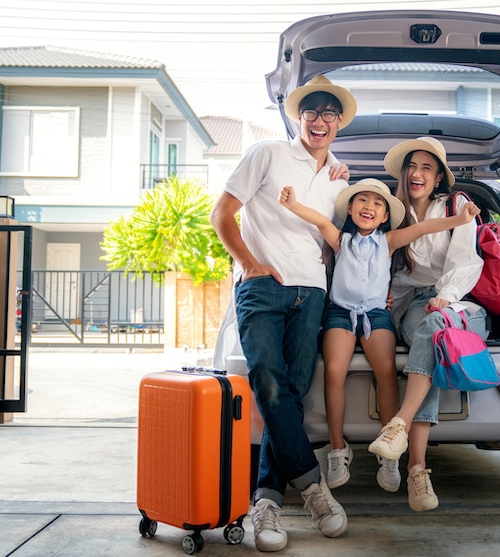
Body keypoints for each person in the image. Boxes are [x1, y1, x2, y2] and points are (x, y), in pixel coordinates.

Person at [210, 74, 355, 553]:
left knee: (289, 395)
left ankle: (268, 499)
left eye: (328, 113)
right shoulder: (267, 154)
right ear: (298, 117)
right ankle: (314, 490)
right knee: (269, 384)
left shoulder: (339, 178)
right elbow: (222, 214)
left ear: (338, 123)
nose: (319, 120)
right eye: (311, 111)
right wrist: (249, 263)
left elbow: (341, 243)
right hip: (262, 289)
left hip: (311, 293)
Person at [279, 179, 478, 494]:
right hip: (340, 314)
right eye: (362, 200)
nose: (368, 207)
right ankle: (337, 449)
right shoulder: (340, 239)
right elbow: (318, 219)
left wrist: (460, 220)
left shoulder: (390, 240)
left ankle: (391, 453)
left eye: (377, 203)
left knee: (385, 373)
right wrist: (292, 205)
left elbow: (426, 228)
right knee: (334, 372)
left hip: (375, 315)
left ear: (385, 215)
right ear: (351, 208)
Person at [366, 136, 487, 512]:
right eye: (412, 167)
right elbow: (370, 259)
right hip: (411, 306)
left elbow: (466, 262)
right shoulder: (388, 210)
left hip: (457, 301)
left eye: (427, 168)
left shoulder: (456, 206)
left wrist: (446, 296)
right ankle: (417, 473)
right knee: (431, 335)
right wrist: (381, 293)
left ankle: (401, 432)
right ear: (404, 173)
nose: (417, 174)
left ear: (438, 179)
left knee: (436, 328)